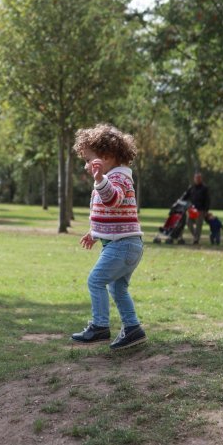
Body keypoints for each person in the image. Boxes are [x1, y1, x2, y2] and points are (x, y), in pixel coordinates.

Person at [70, 124, 147, 351]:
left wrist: (101, 179)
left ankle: (100, 326)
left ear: (107, 156)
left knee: (95, 281)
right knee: (117, 289)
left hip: (122, 246)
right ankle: (133, 329)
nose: (85, 166)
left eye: (88, 160)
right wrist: (95, 232)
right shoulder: (112, 176)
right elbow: (113, 213)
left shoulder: (118, 179)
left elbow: (113, 199)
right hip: (125, 245)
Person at [180, 172, 210, 244]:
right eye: (196, 178)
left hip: (201, 210)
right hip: (191, 209)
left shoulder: (205, 188)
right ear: (194, 179)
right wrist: (180, 200)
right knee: (188, 222)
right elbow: (185, 195)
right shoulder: (191, 187)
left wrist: (206, 210)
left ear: (201, 179)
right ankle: (195, 236)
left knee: (198, 225)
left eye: (199, 178)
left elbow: (207, 200)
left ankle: (196, 239)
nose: (197, 179)